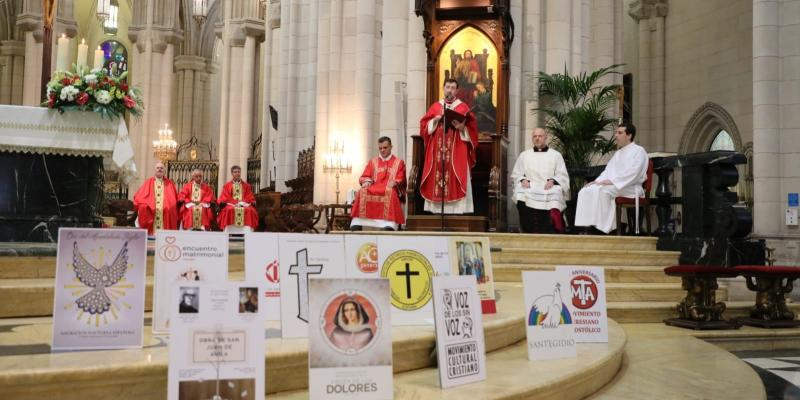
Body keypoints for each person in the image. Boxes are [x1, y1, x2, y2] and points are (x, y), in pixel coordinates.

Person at [574, 122, 648, 234]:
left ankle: (607, 229)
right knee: (586, 190)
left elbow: (634, 173)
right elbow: (608, 171)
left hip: (631, 187)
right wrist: (596, 181)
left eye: (620, 133)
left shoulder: (639, 151)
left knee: (604, 191)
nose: (616, 136)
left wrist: (612, 181)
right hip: (618, 186)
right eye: (616, 133)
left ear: (629, 135)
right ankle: (586, 226)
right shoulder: (618, 153)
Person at [419, 78, 479, 214]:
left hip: (457, 150)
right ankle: (437, 212)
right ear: (443, 88)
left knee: (457, 174)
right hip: (437, 151)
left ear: (457, 90)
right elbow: (423, 126)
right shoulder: (435, 106)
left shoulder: (463, 107)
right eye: (448, 87)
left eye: (453, 87)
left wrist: (463, 128)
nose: (450, 90)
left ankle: (457, 211)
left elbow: (473, 129)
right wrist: (434, 121)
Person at [511, 128, 570, 233]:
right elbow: (516, 174)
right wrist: (522, 179)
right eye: (535, 136)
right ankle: (528, 229)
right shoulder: (524, 155)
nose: (537, 138)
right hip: (530, 186)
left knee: (556, 192)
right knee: (519, 192)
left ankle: (550, 229)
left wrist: (553, 180)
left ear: (546, 137)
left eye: (540, 136)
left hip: (548, 186)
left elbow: (562, 175)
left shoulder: (556, 155)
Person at [349, 137, 407, 231]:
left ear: (391, 147)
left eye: (385, 147)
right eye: (380, 148)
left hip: (389, 188)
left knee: (391, 193)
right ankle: (358, 222)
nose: (382, 150)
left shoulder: (399, 162)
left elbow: (401, 178)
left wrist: (396, 182)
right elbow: (364, 175)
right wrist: (367, 182)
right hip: (374, 187)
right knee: (362, 191)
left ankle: (389, 224)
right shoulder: (373, 162)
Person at [133, 162, 179, 235]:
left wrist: (170, 206)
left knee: (170, 209)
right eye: (157, 168)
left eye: (161, 168)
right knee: (143, 208)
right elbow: (139, 196)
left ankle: (165, 235)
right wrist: (144, 205)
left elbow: (174, 199)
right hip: (151, 208)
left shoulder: (170, 183)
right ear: (154, 170)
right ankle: (149, 234)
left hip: (165, 210)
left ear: (164, 171)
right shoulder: (148, 182)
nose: (159, 169)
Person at [217, 165, 259, 233]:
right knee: (228, 210)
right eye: (235, 172)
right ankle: (228, 232)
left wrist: (242, 203)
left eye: (239, 172)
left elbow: (249, 197)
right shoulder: (227, 186)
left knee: (250, 210)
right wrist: (234, 203)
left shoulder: (246, 185)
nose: (237, 173)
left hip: (244, 204)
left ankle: (247, 232)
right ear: (232, 173)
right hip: (230, 205)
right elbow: (225, 197)